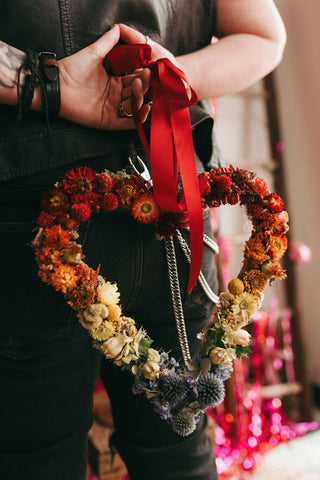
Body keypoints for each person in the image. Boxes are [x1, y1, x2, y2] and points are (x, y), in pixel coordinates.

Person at [0, 1, 286, 479]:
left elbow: (266, 37)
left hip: (37, 212)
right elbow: (264, 36)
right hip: (171, 213)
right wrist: (168, 76)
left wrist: (47, 84)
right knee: (179, 456)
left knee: (36, 459)